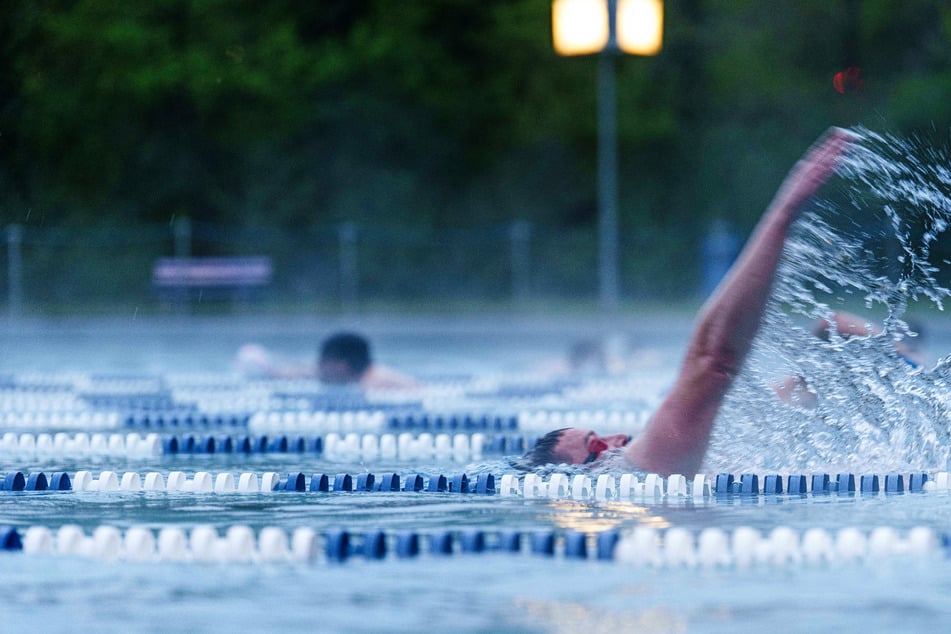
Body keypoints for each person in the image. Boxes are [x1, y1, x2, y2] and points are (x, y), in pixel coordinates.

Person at [520, 127, 855, 476]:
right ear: (578, 478)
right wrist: (783, 213)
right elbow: (713, 360)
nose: (617, 437)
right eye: (597, 446)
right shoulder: (636, 469)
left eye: (600, 436)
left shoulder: (636, 482)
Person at [236, 331, 417, 389]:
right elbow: (307, 372)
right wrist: (269, 372)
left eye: (323, 363)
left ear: (341, 366)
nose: (319, 367)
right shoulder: (350, 375)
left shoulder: (377, 382)